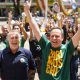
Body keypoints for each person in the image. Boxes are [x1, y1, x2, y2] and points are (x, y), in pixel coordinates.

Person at [24, 1, 80, 80]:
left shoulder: (67, 48)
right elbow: (34, 26)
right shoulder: (46, 44)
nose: (54, 38)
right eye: (52, 36)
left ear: (62, 38)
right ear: (49, 37)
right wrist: (27, 11)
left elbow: (78, 34)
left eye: (57, 36)